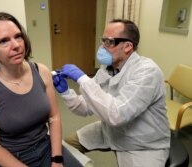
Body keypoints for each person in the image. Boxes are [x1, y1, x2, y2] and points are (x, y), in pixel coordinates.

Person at [53, 19, 171, 167]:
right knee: (67, 147)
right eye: (103, 41)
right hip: (111, 131)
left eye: (109, 42)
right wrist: (66, 92)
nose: (102, 47)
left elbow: (117, 114)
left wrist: (83, 79)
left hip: (142, 143)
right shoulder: (107, 69)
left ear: (128, 46)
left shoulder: (147, 72)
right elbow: (85, 107)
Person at [0, 12, 83, 167]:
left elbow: (54, 117)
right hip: (13, 159)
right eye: (4, 41)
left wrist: (57, 160)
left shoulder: (42, 71)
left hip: (46, 148)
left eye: (18, 36)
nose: (16, 45)